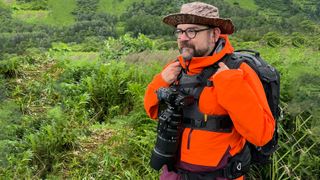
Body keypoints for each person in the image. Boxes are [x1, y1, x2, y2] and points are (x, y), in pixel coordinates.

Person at [144, 2, 275, 180]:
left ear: (214, 34)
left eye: (192, 31)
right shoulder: (175, 68)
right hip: (174, 174)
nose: (183, 38)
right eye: (179, 31)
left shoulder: (238, 71)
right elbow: (151, 111)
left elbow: (262, 135)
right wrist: (161, 81)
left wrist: (230, 84)